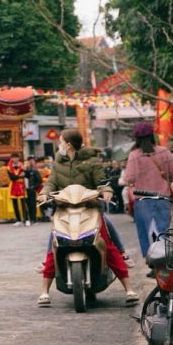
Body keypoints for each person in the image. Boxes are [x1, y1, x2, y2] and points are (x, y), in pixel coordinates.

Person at [37, 128, 137, 307]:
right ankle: (44, 291)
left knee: (107, 241)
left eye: (60, 141)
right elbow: (51, 182)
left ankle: (129, 288)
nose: (58, 145)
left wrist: (106, 190)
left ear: (68, 144)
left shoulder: (92, 161)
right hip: (65, 209)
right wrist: (44, 194)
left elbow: (102, 181)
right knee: (55, 242)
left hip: (90, 207)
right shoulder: (58, 162)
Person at [121, 121, 173, 258]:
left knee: (146, 232)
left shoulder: (134, 155)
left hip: (143, 200)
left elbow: (129, 179)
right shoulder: (164, 152)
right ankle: (164, 260)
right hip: (162, 199)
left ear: (137, 138)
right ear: (152, 136)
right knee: (162, 231)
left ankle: (152, 263)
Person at [6, 154, 28, 227]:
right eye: (13, 158)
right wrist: (19, 175)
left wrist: (25, 171)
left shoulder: (23, 165)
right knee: (15, 204)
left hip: (21, 185)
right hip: (13, 185)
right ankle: (18, 219)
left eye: (16, 158)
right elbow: (12, 178)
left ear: (18, 158)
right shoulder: (9, 167)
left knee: (23, 203)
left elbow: (27, 175)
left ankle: (26, 219)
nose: (15, 159)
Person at [24, 157, 44, 224]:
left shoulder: (34, 171)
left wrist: (34, 187)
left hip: (31, 189)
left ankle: (34, 219)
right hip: (24, 190)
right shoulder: (24, 171)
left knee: (32, 205)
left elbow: (39, 180)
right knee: (26, 205)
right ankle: (27, 219)